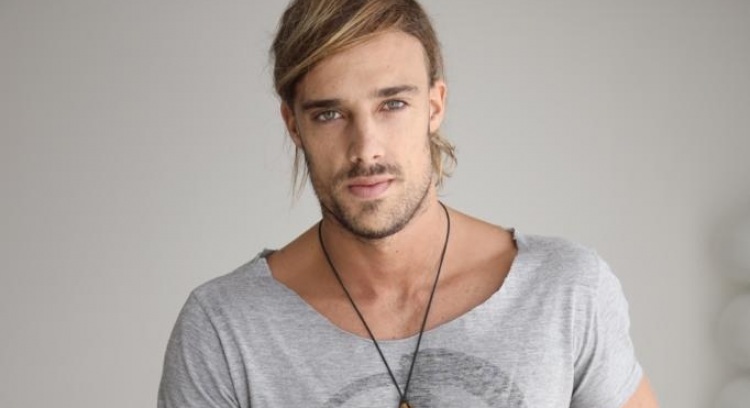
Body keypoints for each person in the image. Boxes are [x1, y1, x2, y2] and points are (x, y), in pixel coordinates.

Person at [158, 0, 659, 406]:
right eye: (330, 114)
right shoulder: (225, 328)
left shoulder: (564, 292)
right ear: (294, 125)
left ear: (434, 106)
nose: (366, 149)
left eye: (392, 104)